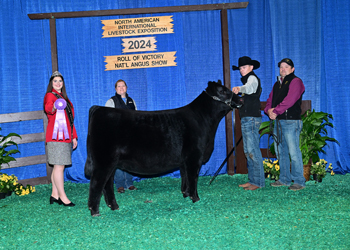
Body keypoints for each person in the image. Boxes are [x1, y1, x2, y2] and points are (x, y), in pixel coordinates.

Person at [264, 58, 306, 191]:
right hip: (279, 121)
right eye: (281, 67)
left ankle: (299, 181)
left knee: (293, 152)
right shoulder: (277, 84)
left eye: (286, 67)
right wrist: (269, 110)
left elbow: (290, 100)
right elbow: (270, 100)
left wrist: (275, 111)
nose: (283, 69)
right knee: (280, 152)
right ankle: (284, 179)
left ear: (292, 69)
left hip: (291, 121)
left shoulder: (296, 81)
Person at [44, 71, 78, 206]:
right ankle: (63, 197)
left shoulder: (65, 98)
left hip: (66, 136)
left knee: (58, 166)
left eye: (60, 81)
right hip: (55, 137)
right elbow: (48, 109)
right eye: (55, 81)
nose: (58, 83)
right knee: (59, 166)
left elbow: (70, 120)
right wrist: (54, 105)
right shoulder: (50, 96)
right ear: (51, 83)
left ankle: (54, 194)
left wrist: (74, 136)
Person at [232, 56, 264, 190]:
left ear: (251, 67)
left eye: (244, 67)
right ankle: (252, 180)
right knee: (248, 151)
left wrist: (240, 89)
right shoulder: (247, 80)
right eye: (240, 68)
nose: (241, 70)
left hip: (251, 119)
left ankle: (258, 182)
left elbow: (250, 88)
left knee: (252, 150)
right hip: (247, 118)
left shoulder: (252, 78)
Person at [105, 79, 137, 193]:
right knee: (118, 160)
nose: (121, 88)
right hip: (117, 135)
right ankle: (119, 184)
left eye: (123, 86)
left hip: (130, 135)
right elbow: (107, 119)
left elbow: (136, 117)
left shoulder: (131, 101)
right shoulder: (111, 101)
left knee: (129, 159)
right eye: (119, 86)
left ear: (126, 87)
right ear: (115, 89)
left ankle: (129, 183)